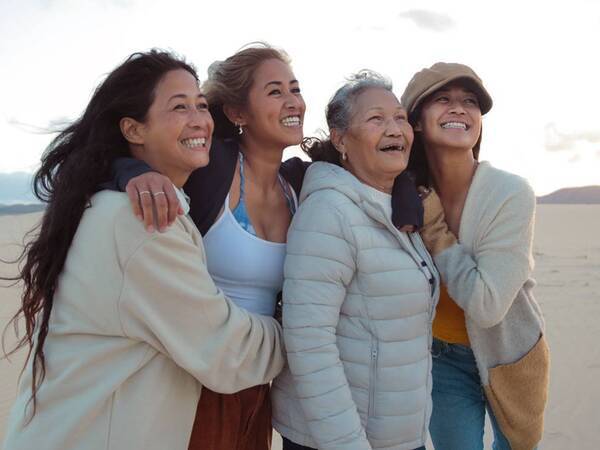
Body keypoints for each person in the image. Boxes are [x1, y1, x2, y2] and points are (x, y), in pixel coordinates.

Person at [109, 44, 423, 450]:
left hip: (256, 383)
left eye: (295, 89)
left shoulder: (299, 185)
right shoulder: (211, 170)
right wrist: (132, 171)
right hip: (186, 378)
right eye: (275, 92)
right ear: (238, 113)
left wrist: (408, 203)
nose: (293, 101)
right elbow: (112, 158)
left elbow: (382, 173)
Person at [2, 50, 284, 450]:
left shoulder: (110, 204)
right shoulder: (142, 222)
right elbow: (228, 353)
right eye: (179, 107)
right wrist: (301, 332)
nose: (199, 119)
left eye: (201, 105)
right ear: (133, 130)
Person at [271, 72, 439, 450]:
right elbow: (309, 343)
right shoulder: (329, 211)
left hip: (396, 434)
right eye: (376, 119)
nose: (395, 129)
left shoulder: (401, 208)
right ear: (341, 138)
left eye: (399, 118)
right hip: (339, 438)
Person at [401, 62, 550, 450]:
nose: (459, 108)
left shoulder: (509, 193)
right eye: (443, 99)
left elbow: (487, 305)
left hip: (512, 355)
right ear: (415, 121)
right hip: (439, 357)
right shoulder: (403, 196)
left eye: (470, 102)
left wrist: (434, 229)